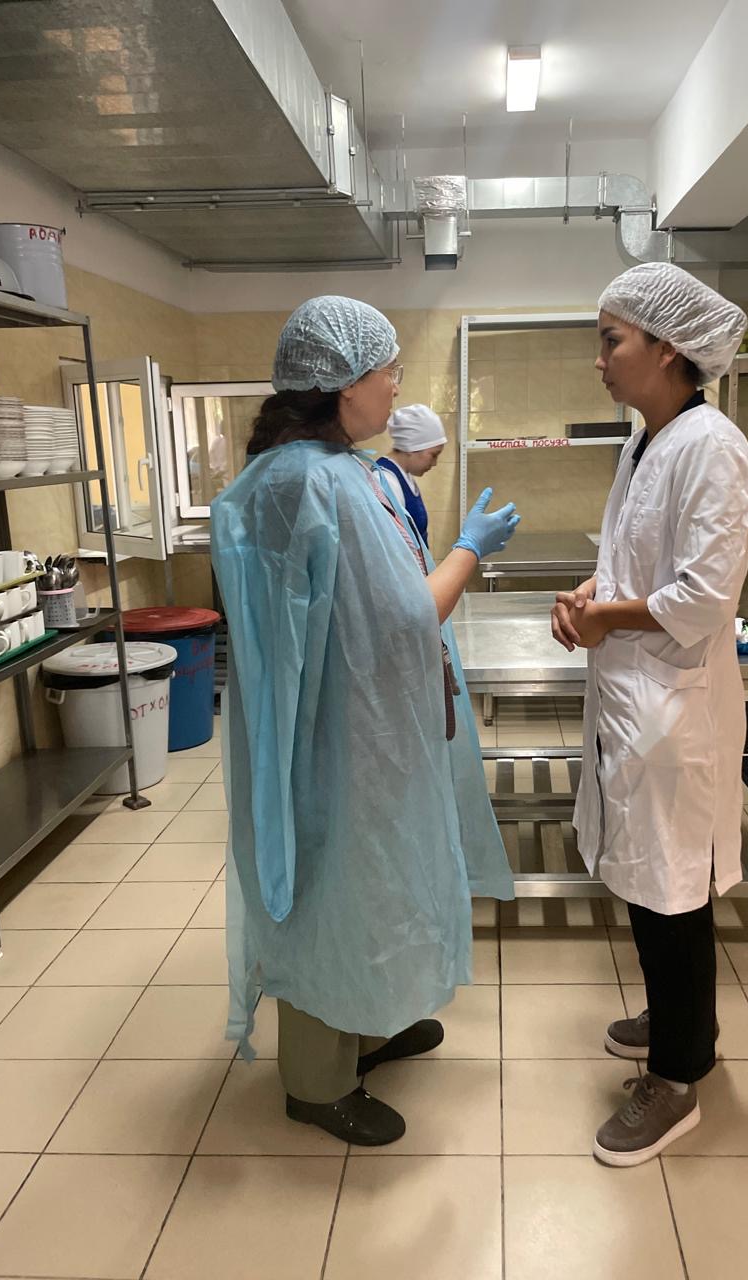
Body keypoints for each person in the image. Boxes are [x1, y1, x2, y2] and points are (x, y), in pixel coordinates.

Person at [211, 295, 520, 1147]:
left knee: (376, 879)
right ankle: (317, 1083)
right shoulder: (308, 481)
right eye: (389, 372)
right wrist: (470, 549)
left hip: (364, 729)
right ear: (344, 383)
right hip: (332, 742)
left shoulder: (335, 472)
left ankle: (368, 1025)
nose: (396, 388)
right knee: (334, 889)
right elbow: (404, 617)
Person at [551, 263, 748, 1167]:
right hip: (635, 702)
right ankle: (681, 1024)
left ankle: (676, 1083)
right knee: (646, 883)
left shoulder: (713, 446)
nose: (598, 360)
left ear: (668, 348)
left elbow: (704, 597)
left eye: (611, 341)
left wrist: (609, 618)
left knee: (672, 893)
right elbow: (634, 561)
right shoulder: (644, 444)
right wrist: (589, 593)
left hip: (676, 714)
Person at [377, 403, 447, 546]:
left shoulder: (405, 475)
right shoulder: (386, 482)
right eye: (433, 455)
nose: (434, 463)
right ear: (411, 447)